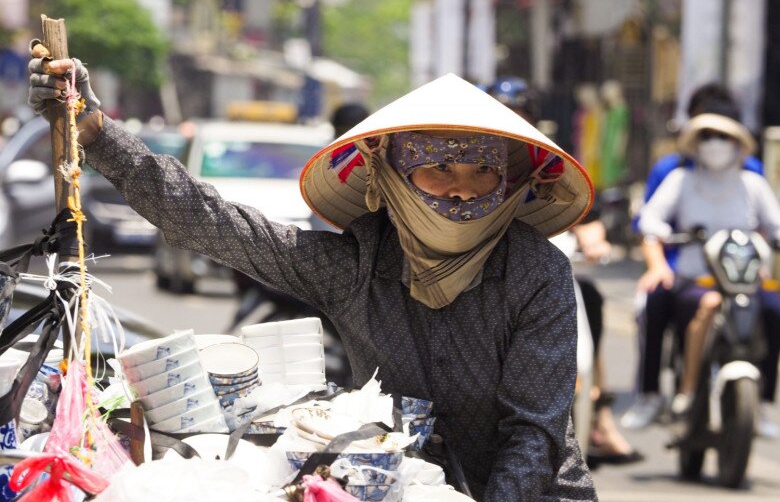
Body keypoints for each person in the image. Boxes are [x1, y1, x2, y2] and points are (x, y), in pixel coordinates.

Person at [30, 52, 597, 500]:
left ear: (505, 183)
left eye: (481, 173)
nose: (461, 190)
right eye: (438, 168)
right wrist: (99, 134)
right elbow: (216, 224)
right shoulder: (354, 265)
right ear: (394, 176)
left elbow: (534, 433)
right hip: (402, 486)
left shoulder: (537, 272)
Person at [489, 77, 642, 467]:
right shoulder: (467, 155)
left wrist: (594, 239)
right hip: (480, 268)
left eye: (519, 114)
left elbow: (582, 212)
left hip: (539, 267)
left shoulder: (550, 164)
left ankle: (598, 413)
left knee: (588, 297)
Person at [621, 84, 775, 435]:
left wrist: (760, 253)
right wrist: (659, 265)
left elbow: (770, 224)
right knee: (654, 302)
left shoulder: (751, 177)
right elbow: (649, 224)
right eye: (708, 134)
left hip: (743, 277)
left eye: (723, 134)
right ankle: (656, 393)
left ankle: (764, 400)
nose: (716, 143)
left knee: (773, 307)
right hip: (689, 275)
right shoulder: (676, 175)